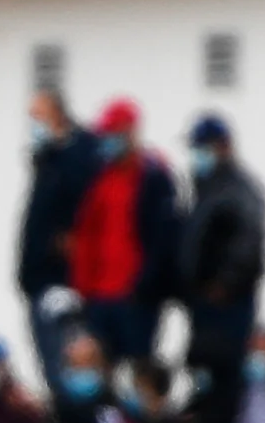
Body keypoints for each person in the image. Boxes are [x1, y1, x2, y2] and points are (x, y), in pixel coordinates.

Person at [64, 101, 179, 365]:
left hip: (134, 297)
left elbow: (163, 238)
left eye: (113, 132)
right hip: (98, 297)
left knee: (137, 367)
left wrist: (146, 286)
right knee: (99, 367)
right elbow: (86, 234)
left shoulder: (154, 177)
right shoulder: (99, 177)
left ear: (130, 132)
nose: (108, 141)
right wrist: (83, 289)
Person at [177, 114, 265, 410]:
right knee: (204, 371)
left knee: (226, 372)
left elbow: (248, 243)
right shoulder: (207, 187)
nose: (197, 154)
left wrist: (225, 285)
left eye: (203, 146)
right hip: (203, 302)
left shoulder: (239, 189)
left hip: (228, 303)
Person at [16, 86, 99, 372]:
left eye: (39, 116)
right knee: (50, 366)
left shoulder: (82, 154)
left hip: (67, 281)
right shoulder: (46, 157)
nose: (34, 124)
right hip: (40, 279)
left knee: (71, 365)